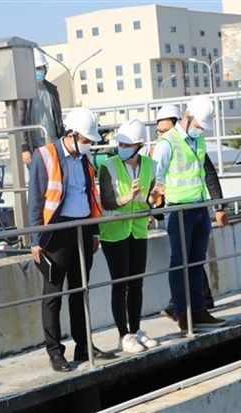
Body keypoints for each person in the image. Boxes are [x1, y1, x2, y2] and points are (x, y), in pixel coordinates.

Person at [29, 107, 115, 372]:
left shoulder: (85, 159)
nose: (89, 144)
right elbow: (35, 200)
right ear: (72, 134)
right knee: (53, 294)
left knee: (81, 290)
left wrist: (94, 231)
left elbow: (91, 196)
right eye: (86, 139)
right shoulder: (45, 155)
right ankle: (55, 352)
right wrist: (35, 240)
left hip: (83, 230)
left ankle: (83, 344)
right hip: (56, 233)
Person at [152, 96, 228, 332]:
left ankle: (199, 311)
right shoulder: (168, 142)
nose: (200, 130)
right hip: (178, 210)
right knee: (180, 264)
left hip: (199, 207)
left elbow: (206, 172)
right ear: (187, 116)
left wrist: (217, 205)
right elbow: (155, 175)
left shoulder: (199, 139)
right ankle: (182, 314)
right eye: (198, 125)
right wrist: (156, 204)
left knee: (196, 262)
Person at [98, 120, 163, 353]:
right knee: (121, 284)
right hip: (114, 232)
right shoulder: (108, 166)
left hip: (138, 230)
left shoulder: (150, 166)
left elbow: (148, 202)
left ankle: (135, 331)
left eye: (127, 145)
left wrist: (154, 198)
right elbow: (107, 202)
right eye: (121, 144)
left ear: (139, 145)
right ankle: (123, 335)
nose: (122, 148)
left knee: (136, 283)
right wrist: (127, 197)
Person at [20, 48, 65, 165]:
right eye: (35, 69)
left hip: (53, 143)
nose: (38, 71)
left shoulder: (51, 90)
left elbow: (58, 118)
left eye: (40, 68)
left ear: (45, 68)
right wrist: (24, 148)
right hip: (34, 147)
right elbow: (21, 121)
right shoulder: (24, 92)